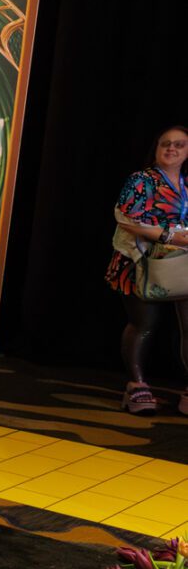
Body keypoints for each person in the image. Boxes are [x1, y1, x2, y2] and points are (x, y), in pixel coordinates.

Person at [107, 125, 188, 415]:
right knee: (144, 324)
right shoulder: (142, 180)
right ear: (156, 148)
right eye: (166, 144)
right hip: (140, 260)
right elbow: (126, 218)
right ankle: (137, 385)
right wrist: (168, 236)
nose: (172, 149)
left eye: (179, 145)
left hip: (182, 262)